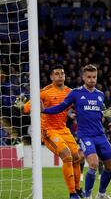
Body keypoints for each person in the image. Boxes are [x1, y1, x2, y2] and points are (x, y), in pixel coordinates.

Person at [42, 64, 111, 199]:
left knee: (110, 166)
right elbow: (61, 107)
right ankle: (87, 196)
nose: (92, 80)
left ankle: (101, 194)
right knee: (93, 164)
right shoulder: (76, 93)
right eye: (88, 77)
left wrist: (110, 121)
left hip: (100, 135)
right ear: (83, 78)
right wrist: (44, 110)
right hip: (85, 135)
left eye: (94, 77)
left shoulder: (100, 95)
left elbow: (104, 110)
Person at [14, 64, 83, 199]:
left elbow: (78, 106)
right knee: (67, 156)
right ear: (51, 76)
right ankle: (72, 193)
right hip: (49, 131)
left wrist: (74, 113)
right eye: (56, 74)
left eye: (62, 73)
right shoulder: (44, 92)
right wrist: (23, 106)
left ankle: (78, 189)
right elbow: (26, 108)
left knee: (77, 158)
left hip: (63, 129)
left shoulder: (70, 92)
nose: (60, 76)